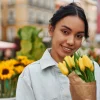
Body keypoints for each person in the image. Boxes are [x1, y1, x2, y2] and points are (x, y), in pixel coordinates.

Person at [16, 3, 100, 100]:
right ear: (51, 29)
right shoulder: (30, 74)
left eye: (79, 36)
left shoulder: (93, 69)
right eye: (65, 32)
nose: (71, 41)